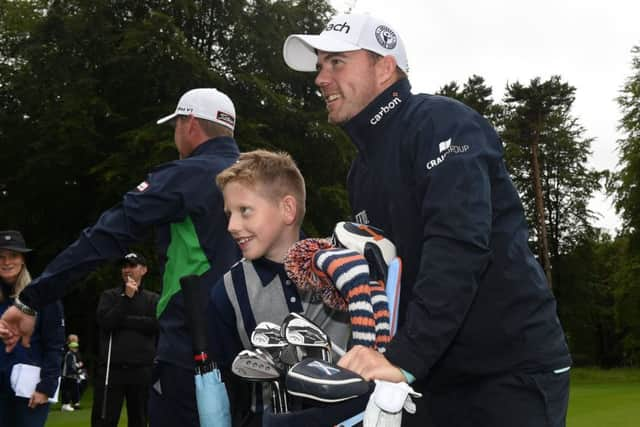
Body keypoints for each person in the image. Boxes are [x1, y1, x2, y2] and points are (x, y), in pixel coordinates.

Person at [283, 13, 572, 427]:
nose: (321, 79)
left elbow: (457, 246)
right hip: (434, 380)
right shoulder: (360, 172)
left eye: (336, 62)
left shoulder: (442, 123)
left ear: (384, 67)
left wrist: (403, 359)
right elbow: (396, 278)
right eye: (319, 66)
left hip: (511, 371)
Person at [0, 88, 242, 426]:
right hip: (252, 355)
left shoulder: (185, 176)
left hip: (190, 351)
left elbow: (105, 237)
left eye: (175, 126)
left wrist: (32, 299)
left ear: (189, 124)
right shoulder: (266, 179)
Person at [209, 150, 351, 426]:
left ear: (287, 209)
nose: (232, 226)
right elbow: (231, 385)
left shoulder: (344, 269)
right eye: (228, 213)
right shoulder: (226, 292)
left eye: (244, 211)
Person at [0, 230, 65, 427]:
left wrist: (46, 387)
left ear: (23, 260)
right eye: (1, 257)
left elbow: (55, 345)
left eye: (13, 256)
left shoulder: (43, 295)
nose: (6, 262)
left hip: (29, 390)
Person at [91, 252, 159, 427]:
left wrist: (125, 321)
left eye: (132, 265)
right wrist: (126, 299)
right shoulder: (110, 296)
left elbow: (156, 325)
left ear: (143, 270)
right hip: (112, 370)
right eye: (124, 266)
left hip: (142, 370)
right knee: (104, 420)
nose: (127, 270)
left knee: (140, 421)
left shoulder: (153, 299)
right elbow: (106, 322)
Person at [60, 334, 86, 411]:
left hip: (73, 375)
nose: (76, 349)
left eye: (76, 347)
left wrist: (78, 368)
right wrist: (77, 368)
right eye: (74, 347)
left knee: (75, 389)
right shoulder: (69, 354)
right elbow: (70, 366)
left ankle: (74, 403)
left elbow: (76, 364)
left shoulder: (73, 354)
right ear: (70, 347)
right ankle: (66, 404)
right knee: (67, 390)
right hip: (68, 375)